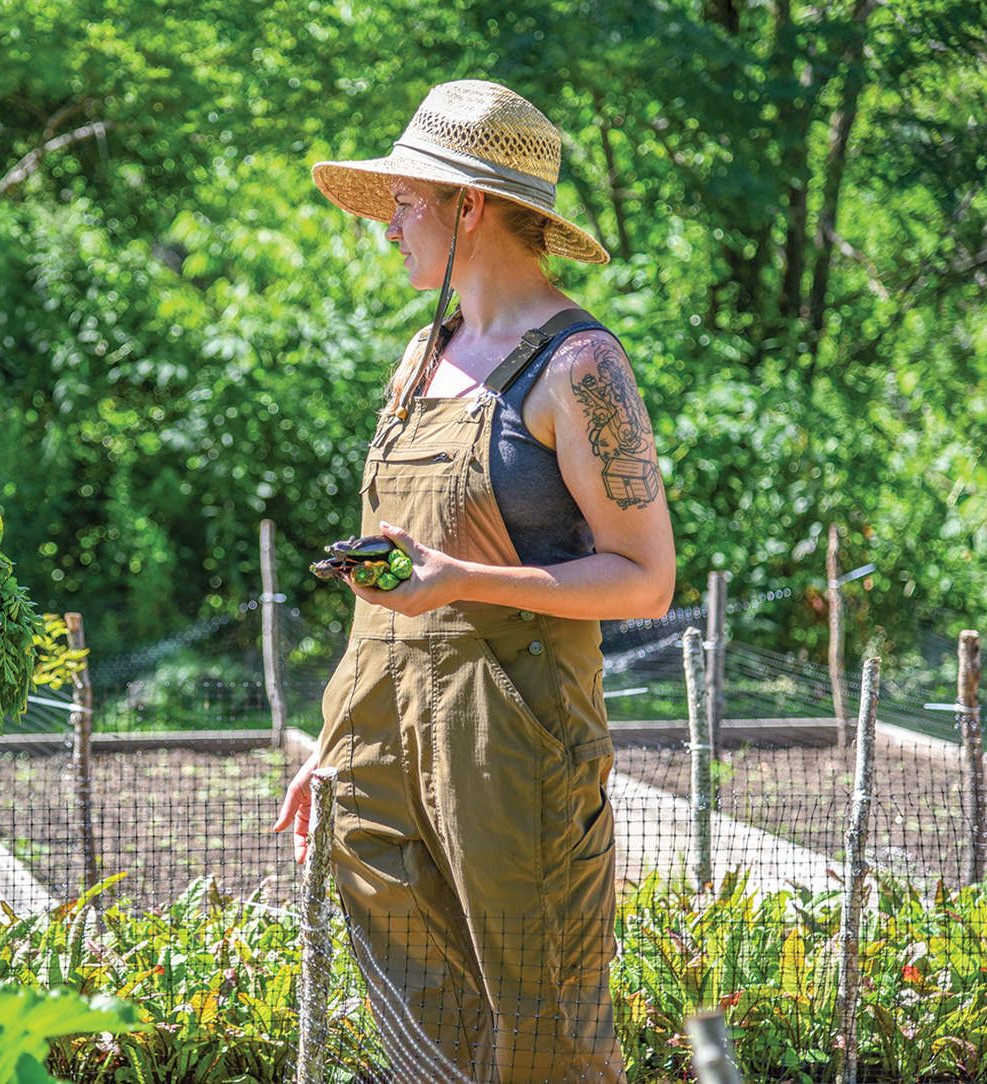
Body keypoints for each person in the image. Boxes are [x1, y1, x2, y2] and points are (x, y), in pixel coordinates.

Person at [274, 81, 675, 1084]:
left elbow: (646, 577)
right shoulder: (424, 353)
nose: (388, 227)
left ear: (469, 205)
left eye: (405, 200)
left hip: (516, 752)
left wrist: (465, 577)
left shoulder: (579, 367)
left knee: (541, 1030)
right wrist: (333, 743)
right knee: (420, 1028)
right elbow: (390, 571)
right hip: (382, 741)